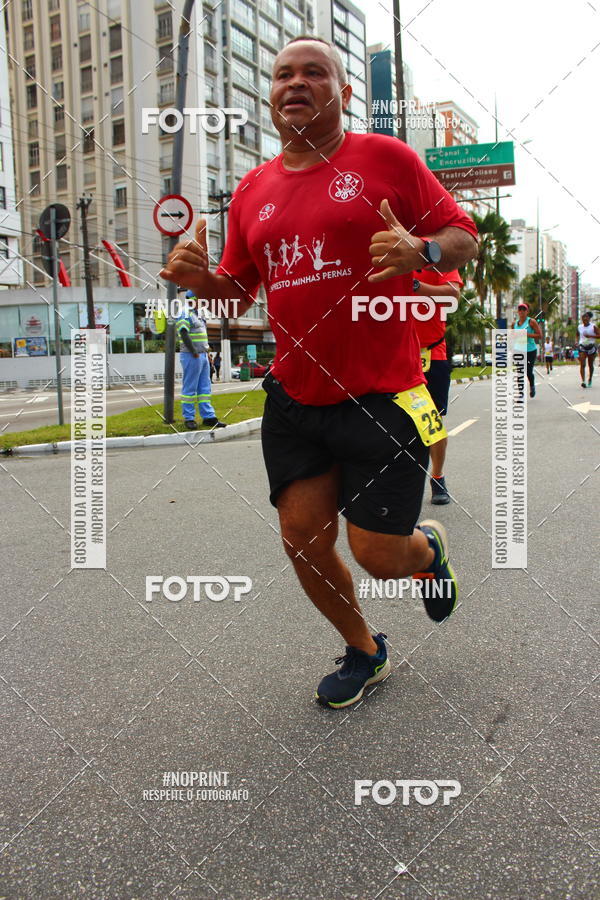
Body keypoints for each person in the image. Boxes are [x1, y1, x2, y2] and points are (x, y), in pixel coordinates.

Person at [160, 36, 478, 709]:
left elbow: (462, 236)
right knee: (303, 541)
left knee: (377, 554)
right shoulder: (253, 190)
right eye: (283, 75)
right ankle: (366, 649)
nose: (294, 83)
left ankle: (426, 551)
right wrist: (199, 280)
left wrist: (420, 247)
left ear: (345, 92)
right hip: (297, 399)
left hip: (386, 397)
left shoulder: (385, 158)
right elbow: (237, 292)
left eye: (314, 73)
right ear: (269, 94)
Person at [411, 268, 462, 505]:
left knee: (433, 420)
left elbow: (453, 295)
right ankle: (402, 480)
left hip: (434, 354)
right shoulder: (389, 258)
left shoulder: (438, 257)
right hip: (399, 354)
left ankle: (438, 476)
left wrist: (416, 286)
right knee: (397, 421)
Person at [177, 291, 227, 430]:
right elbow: (183, 332)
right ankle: (189, 418)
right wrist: (193, 351)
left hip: (203, 355)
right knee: (190, 387)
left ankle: (208, 417)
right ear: (193, 299)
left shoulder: (198, 314)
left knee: (205, 388)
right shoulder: (184, 312)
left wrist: (207, 354)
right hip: (191, 355)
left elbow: (201, 335)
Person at [513, 302, 542, 397]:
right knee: (520, 372)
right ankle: (520, 393)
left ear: (527, 311)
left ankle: (532, 386)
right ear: (518, 311)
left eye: (524, 309)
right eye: (520, 309)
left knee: (529, 371)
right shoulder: (515, 324)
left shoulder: (531, 322)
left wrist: (527, 334)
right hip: (519, 350)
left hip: (530, 350)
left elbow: (540, 335)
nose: (521, 311)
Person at [577, 311, 600, 387]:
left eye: (586, 317)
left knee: (590, 365)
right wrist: (576, 342)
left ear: (589, 319)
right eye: (583, 317)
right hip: (582, 346)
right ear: (582, 319)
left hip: (591, 347)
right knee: (582, 364)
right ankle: (583, 381)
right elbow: (577, 334)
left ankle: (590, 378)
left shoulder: (593, 326)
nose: (585, 319)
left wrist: (590, 336)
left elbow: (599, 335)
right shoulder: (580, 327)